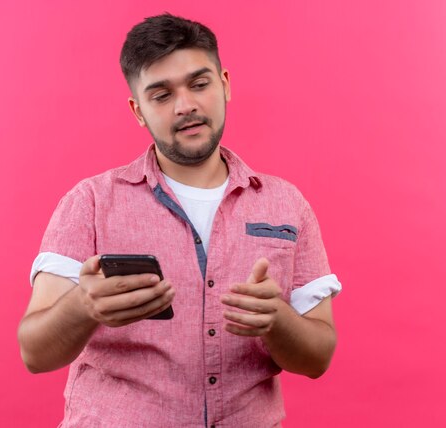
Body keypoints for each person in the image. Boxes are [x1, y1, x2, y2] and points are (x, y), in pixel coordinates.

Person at [18, 13, 342, 428]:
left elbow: (318, 359)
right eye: (161, 94)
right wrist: (84, 306)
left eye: (199, 84)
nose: (186, 105)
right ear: (138, 110)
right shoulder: (90, 202)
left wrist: (277, 321)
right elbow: (35, 352)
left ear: (224, 84)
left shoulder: (285, 204)